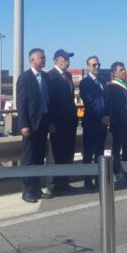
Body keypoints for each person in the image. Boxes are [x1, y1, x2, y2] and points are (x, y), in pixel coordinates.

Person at [16, 48, 51, 203]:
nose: (44, 60)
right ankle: (27, 191)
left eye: (44, 58)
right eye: (42, 58)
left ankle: (36, 188)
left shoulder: (45, 77)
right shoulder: (25, 78)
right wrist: (23, 124)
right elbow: (21, 103)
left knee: (39, 158)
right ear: (33, 60)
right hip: (30, 125)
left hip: (43, 123)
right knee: (28, 159)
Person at [47, 49, 78, 194]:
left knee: (68, 152)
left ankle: (65, 182)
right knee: (56, 154)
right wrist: (51, 122)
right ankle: (55, 184)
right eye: (64, 58)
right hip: (57, 123)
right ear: (56, 60)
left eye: (68, 58)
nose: (67, 61)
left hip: (70, 122)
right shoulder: (50, 76)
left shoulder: (69, 76)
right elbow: (49, 102)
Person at [105, 61, 127, 181]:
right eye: (121, 69)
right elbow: (114, 106)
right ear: (114, 73)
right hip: (119, 122)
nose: (124, 71)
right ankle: (116, 172)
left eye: (125, 69)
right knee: (116, 149)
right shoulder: (112, 87)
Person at [79, 55, 109, 189]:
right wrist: (100, 117)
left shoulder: (102, 82)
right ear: (88, 66)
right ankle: (87, 180)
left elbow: (107, 101)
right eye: (94, 65)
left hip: (103, 123)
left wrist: (107, 116)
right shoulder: (85, 83)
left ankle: (99, 178)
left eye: (98, 65)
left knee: (100, 152)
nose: (97, 67)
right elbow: (89, 103)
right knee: (88, 152)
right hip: (91, 122)